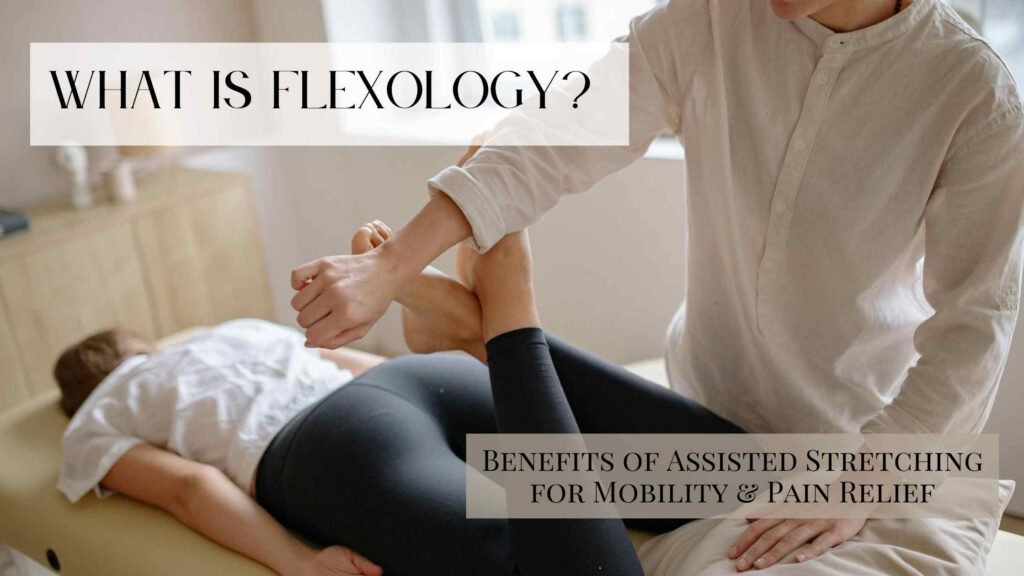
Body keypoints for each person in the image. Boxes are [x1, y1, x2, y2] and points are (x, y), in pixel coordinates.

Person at [290, 0, 1024, 569]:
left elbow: (975, 326)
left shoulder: (971, 93)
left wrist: (863, 483)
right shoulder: (709, 19)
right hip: (694, 407)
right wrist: (389, 266)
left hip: (844, 441)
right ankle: (482, 329)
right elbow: (555, 135)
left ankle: (484, 330)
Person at [59, 222, 750, 576]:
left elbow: (188, 487)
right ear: (143, 343)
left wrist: (296, 562)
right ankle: (470, 335)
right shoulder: (229, 332)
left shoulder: (97, 418)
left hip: (331, 440)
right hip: (398, 384)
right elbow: (340, 357)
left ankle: (502, 321)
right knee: (723, 474)